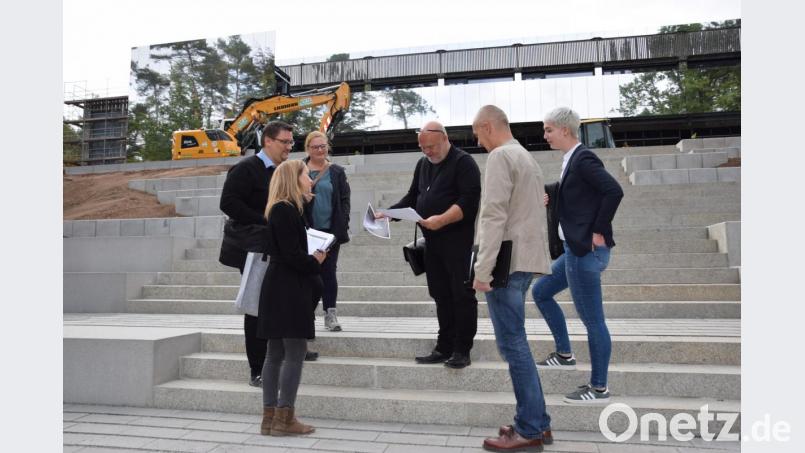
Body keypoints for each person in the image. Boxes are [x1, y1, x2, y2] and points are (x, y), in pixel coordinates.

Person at [470, 105, 553, 452]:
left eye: (477, 134)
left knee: (513, 346)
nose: (478, 141)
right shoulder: (526, 157)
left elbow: (493, 216)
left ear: (488, 126)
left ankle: (530, 427)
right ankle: (536, 421)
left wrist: (481, 270)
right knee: (515, 344)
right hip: (526, 259)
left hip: (506, 263)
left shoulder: (501, 157)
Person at [530, 106, 623, 404]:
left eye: (548, 130)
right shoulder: (572, 159)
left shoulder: (583, 158)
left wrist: (598, 231)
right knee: (541, 291)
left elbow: (613, 191)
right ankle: (565, 354)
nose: (545, 135)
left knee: (593, 321)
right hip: (573, 250)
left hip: (584, 252)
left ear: (565, 130)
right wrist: (552, 195)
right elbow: (580, 193)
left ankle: (599, 388)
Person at [378, 121, 481, 369]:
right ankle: (443, 346)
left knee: (461, 295)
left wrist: (442, 220)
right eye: (423, 148)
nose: (428, 152)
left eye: (432, 147)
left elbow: (468, 202)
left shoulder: (464, 163)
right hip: (432, 242)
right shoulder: (423, 164)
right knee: (440, 294)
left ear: (445, 139)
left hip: (457, 243)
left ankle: (462, 349)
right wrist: (389, 214)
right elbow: (413, 196)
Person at [218, 120, 296, 388]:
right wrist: (266, 219)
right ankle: (257, 369)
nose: (289, 146)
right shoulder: (246, 168)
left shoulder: (283, 171)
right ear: (268, 141)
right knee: (256, 309)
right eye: (285, 142)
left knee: (274, 306)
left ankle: (275, 358)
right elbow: (228, 203)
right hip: (254, 249)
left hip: (278, 249)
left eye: (290, 142)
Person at [258, 160, 326, 436]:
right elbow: (292, 255)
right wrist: (316, 260)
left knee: (274, 353)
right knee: (294, 352)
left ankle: (270, 419)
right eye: (306, 176)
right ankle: (284, 418)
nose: (310, 180)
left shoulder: (283, 209)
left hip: (278, 286)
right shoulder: (285, 211)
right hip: (288, 287)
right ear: (294, 179)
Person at [302, 131, 351, 332]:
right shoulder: (299, 169)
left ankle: (330, 313)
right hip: (306, 231)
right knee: (308, 273)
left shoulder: (337, 171)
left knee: (329, 272)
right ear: (308, 149)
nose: (320, 150)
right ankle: (306, 314)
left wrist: (341, 226)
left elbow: (344, 200)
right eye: (315, 147)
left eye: (323, 146)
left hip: (330, 233)